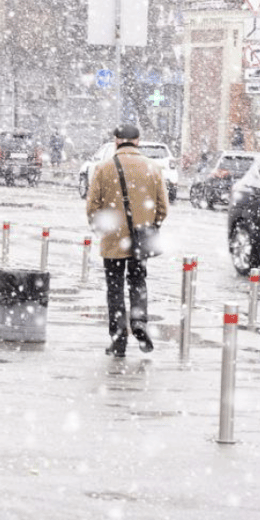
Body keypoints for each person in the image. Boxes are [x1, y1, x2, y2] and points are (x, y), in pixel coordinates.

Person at [85, 123, 169, 358]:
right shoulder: (153, 168)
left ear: (116, 141)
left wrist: (101, 227)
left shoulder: (104, 168)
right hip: (141, 239)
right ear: (138, 141)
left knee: (114, 289)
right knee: (138, 281)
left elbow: (92, 206)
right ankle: (139, 320)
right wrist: (151, 224)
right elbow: (163, 207)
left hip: (112, 240)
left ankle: (119, 338)